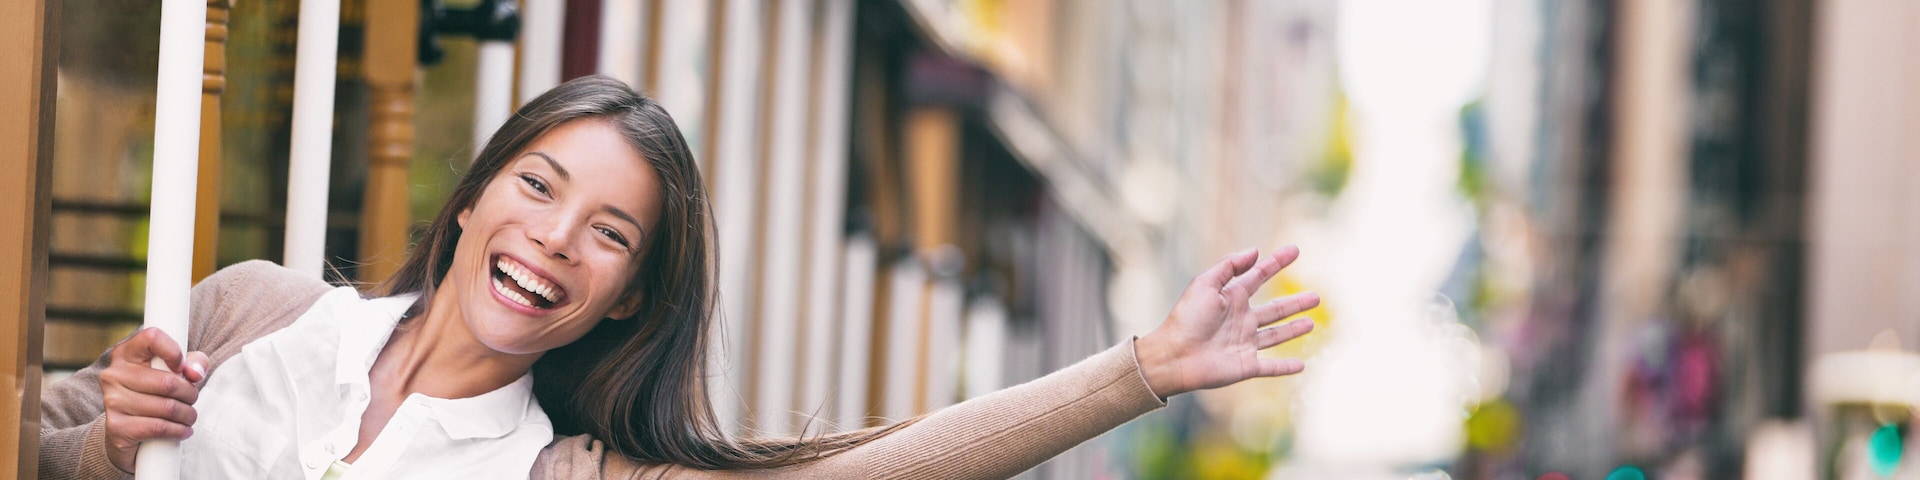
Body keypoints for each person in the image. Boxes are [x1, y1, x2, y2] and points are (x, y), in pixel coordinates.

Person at [38, 75, 1322, 479]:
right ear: (477, 192)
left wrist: (1142, 368)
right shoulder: (252, 310)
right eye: (538, 187)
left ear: (635, 295)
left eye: (613, 232)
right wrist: (106, 442)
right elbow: (30, 432)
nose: (553, 238)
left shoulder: (558, 474)